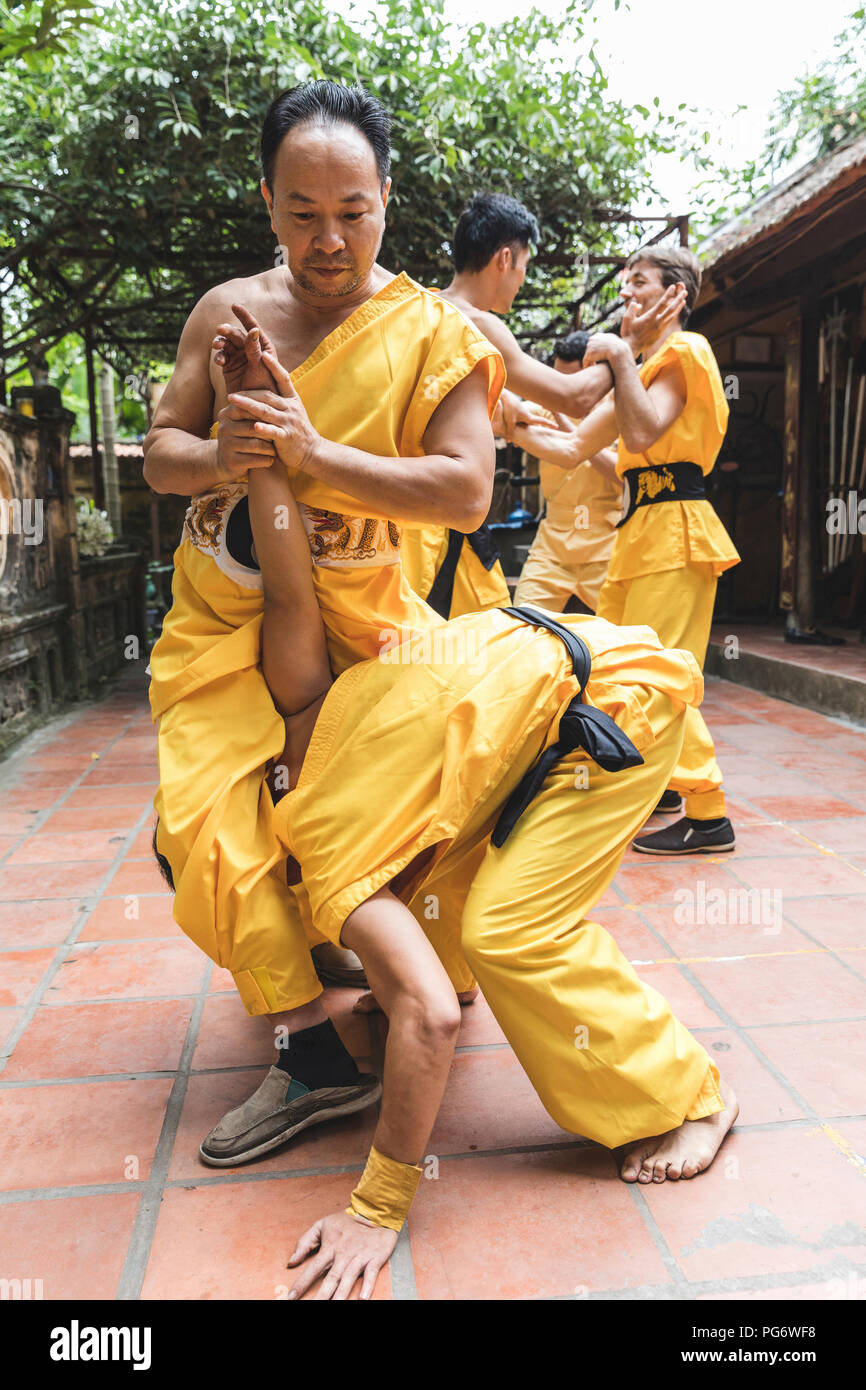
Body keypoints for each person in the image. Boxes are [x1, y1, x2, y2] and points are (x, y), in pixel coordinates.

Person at [236, 375, 738, 1300]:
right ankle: (472, 970)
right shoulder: (306, 702)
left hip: (610, 718)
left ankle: (691, 1096)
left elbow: (423, 1015)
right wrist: (267, 430)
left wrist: (379, 1204)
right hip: (573, 673)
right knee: (452, 883)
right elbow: (286, 584)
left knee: (507, 930)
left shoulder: (328, 866)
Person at [143, 80, 504, 1159]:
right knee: (205, 821)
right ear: (267, 202)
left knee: (353, 827)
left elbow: (464, 490)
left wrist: (310, 458)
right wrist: (218, 457)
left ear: (387, 200)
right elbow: (161, 449)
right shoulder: (226, 312)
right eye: (303, 212)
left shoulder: (432, 329)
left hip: (367, 624)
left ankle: (378, 974)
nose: (329, 238)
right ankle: (306, 1050)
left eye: (352, 210)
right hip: (221, 619)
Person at [513, 245, 740, 853]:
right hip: (640, 530)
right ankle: (659, 778)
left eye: (640, 282)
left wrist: (615, 349)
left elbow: (642, 432)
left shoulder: (685, 350)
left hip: (675, 528)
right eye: (625, 284)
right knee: (620, 662)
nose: (627, 294)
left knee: (662, 671)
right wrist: (506, 414)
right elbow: (577, 449)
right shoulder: (644, 364)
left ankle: (710, 812)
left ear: (676, 296)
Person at [400, 192, 684, 615]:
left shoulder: (414, 311)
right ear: (505, 259)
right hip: (435, 520)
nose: (521, 280)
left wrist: (515, 410)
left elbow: (558, 442)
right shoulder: (477, 325)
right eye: (524, 268)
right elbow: (575, 395)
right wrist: (629, 345)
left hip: (408, 511)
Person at [513, 329, 621, 613]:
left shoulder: (619, 409)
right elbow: (504, 418)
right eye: (557, 380)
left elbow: (622, 475)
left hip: (606, 546)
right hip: (552, 545)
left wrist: (570, 427)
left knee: (624, 637)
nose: (562, 390)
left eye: (571, 382)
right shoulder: (542, 408)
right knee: (521, 624)